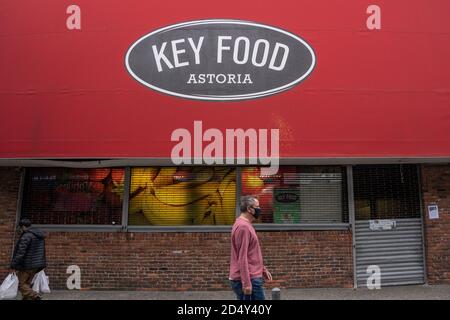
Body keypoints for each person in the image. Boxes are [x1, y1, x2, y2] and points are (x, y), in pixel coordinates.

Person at [229, 195, 272, 300]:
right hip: (249, 279)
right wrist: (247, 284)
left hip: (251, 277)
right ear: (249, 209)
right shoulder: (243, 227)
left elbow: (252, 253)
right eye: (257, 207)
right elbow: (242, 257)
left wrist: (262, 269)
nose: (259, 209)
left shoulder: (245, 225)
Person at [10, 218, 47, 300]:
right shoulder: (39, 236)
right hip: (36, 265)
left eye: (20, 227)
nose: (19, 229)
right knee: (27, 284)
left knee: (20, 284)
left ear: (23, 226)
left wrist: (14, 265)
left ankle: (35, 296)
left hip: (27, 265)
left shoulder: (26, 236)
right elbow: (42, 251)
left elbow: (20, 252)